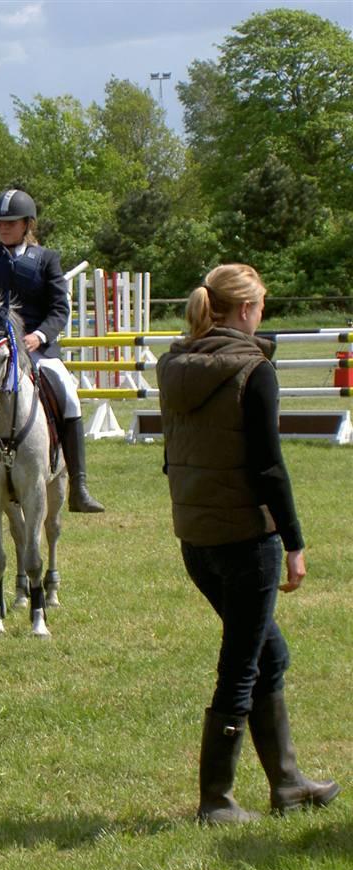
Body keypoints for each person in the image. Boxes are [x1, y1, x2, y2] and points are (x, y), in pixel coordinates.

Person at [156, 263, 340, 825]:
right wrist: (293, 541)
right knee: (242, 664)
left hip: (197, 539)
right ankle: (217, 799)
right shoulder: (253, 370)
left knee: (268, 654)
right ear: (246, 311)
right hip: (244, 539)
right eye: (261, 305)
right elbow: (268, 466)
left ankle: (286, 782)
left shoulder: (173, 365)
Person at [0, 188, 104, 513]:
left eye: (10, 222)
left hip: (37, 348)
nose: (3, 227)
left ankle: (79, 485)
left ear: (27, 224)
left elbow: (59, 308)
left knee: (69, 396)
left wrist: (40, 336)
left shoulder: (46, 260)